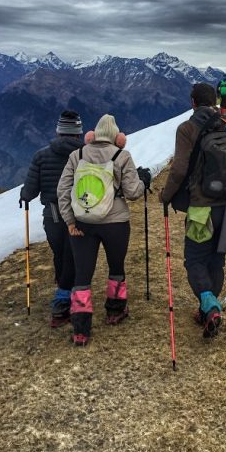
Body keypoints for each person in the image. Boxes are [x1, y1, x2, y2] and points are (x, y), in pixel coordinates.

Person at [160, 83, 226, 338]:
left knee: (195, 260)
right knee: (216, 259)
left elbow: (179, 170)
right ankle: (206, 311)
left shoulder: (186, 128)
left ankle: (210, 307)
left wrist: (166, 196)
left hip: (200, 208)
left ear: (193, 102)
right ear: (215, 100)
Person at [56, 115, 151, 346]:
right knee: (116, 267)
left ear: (93, 135)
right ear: (117, 137)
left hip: (82, 223)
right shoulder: (122, 156)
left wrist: (70, 221)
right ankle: (115, 311)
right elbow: (133, 192)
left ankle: (81, 329)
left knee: (82, 274)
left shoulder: (77, 155)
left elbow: (63, 189)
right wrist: (143, 180)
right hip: (116, 223)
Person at [18, 111, 85, 328]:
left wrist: (24, 196)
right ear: (78, 133)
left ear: (58, 131)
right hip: (80, 214)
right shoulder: (85, 154)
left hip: (53, 215)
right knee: (73, 255)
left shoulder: (41, 155)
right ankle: (66, 299)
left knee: (60, 254)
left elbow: (31, 190)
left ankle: (63, 294)